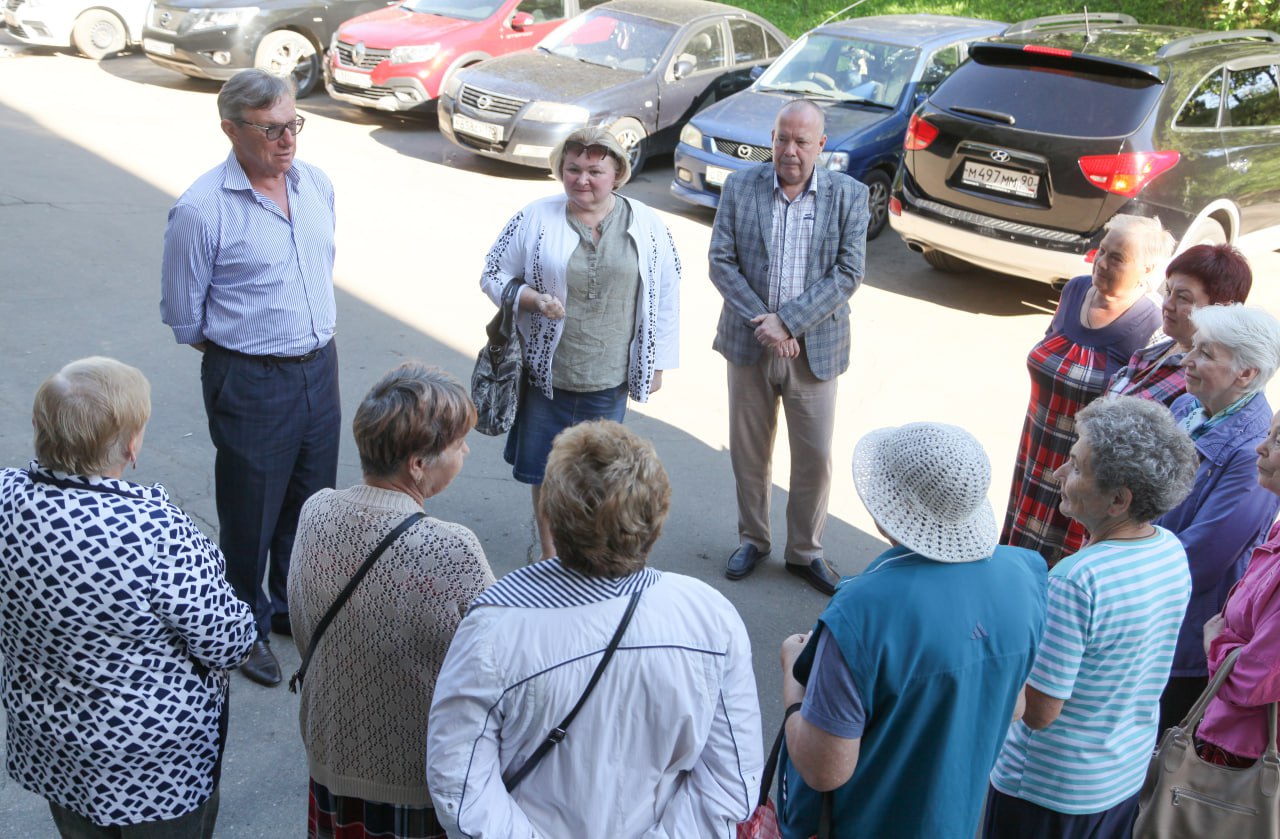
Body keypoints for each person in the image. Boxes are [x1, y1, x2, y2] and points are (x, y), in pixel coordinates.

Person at [426, 420, 762, 837]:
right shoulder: (710, 618)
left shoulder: (495, 629)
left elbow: (459, 788)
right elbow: (732, 784)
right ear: (658, 516)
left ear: (548, 514)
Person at [0, 357, 256, 838]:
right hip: (153, 769)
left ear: (38, 427)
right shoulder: (158, 533)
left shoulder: (4, 501)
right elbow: (230, 642)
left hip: (53, 745)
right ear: (133, 446)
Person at [776, 423, 1048, 839]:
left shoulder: (862, 611)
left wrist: (793, 679)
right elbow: (1014, 707)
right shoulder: (1024, 575)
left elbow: (824, 769)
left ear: (890, 511)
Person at [160, 68, 342, 687]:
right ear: (230, 130)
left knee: (310, 506)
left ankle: (291, 606)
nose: (288, 140)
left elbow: (322, 266)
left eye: (294, 124)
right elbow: (184, 314)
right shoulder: (201, 209)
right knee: (250, 517)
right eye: (271, 129)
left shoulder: (316, 184)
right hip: (251, 378)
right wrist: (249, 350)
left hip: (321, 367)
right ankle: (242, 631)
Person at [288, 362, 493, 839]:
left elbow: (303, 624)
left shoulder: (316, 511)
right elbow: (493, 668)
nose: (465, 450)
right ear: (417, 464)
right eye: (458, 443)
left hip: (330, 752)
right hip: (413, 778)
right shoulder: (452, 549)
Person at [985, 397, 1199, 838]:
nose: (1058, 474)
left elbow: (1040, 711)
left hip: (1048, 789)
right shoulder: (1169, 549)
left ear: (1119, 499)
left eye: (1077, 467)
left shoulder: (1079, 580)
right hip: (1118, 777)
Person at [480, 127, 679, 562]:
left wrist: (659, 361)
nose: (582, 179)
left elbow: (666, 292)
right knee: (548, 475)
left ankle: (590, 555)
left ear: (617, 173)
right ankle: (552, 560)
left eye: (595, 170)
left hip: (608, 379)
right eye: (572, 169)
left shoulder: (646, 224)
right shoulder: (536, 216)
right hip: (546, 377)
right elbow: (492, 273)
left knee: (602, 479)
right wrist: (530, 298)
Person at [709, 98, 869, 596]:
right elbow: (721, 260)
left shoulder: (850, 195)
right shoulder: (740, 186)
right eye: (782, 138)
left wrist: (789, 322)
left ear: (821, 145)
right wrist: (766, 324)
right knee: (749, 454)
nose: (790, 150)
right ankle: (753, 539)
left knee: (814, 457)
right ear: (771, 139)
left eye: (802, 141)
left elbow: (849, 272)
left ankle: (805, 552)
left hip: (814, 350)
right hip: (750, 344)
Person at [1002, 214, 1172, 566]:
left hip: (1087, 470)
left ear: (1148, 269)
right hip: (1037, 447)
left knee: (1062, 563)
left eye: (1118, 258)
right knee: (1018, 555)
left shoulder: (1152, 324)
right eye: (1102, 251)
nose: (1102, 262)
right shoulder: (1075, 290)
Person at [1155, 305, 1280, 731]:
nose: (1186, 360)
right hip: (1152, 616)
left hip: (1179, 640)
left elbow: (1201, 558)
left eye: (1205, 353)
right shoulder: (1190, 407)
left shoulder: (1252, 454)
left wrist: (1122, 564)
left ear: (1245, 374)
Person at [1199, 406, 1280, 766]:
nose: (1260, 448)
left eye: (1278, 441)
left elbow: (1253, 678)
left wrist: (1215, 643)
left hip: (1247, 759)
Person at [1105, 243, 1253, 405]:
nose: (1167, 304)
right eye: (1168, 291)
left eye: (1183, 297)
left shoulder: (1207, 381)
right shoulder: (1166, 346)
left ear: (1222, 308)